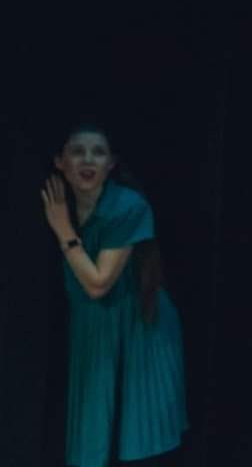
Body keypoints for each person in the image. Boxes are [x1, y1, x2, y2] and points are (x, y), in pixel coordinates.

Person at [42, 123, 187, 467]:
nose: (87, 160)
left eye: (98, 152)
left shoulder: (127, 206)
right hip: (94, 329)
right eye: (77, 151)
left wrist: (63, 229)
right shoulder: (63, 204)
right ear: (60, 162)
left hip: (139, 329)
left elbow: (98, 283)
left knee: (137, 439)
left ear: (111, 163)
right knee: (90, 439)